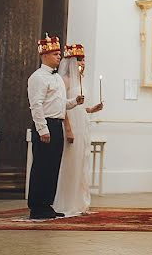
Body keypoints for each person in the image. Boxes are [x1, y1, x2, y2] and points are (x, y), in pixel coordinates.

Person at [27, 34, 84, 219]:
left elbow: (60, 103)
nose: (59, 57)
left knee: (52, 167)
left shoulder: (57, 78)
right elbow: (36, 105)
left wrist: (74, 101)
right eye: (55, 54)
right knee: (41, 167)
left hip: (57, 123)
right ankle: (36, 206)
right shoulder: (38, 77)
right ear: (44, 55)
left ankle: (47, 204)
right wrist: (42, 129)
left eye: (59, 54)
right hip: (46, 125)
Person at [53, 44, 103, 216]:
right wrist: (68, 129)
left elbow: (80, 106)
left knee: (82, 162)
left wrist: (92, 109)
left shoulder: (81, 80)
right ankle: (67, 202)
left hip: (82, 124)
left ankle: (80, 201)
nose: (83, 63)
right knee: (70, 162)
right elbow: (63, 106)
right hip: (71, 125)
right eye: (80, 60)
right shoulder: (64, 80)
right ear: (72, 62)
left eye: (84, 60)